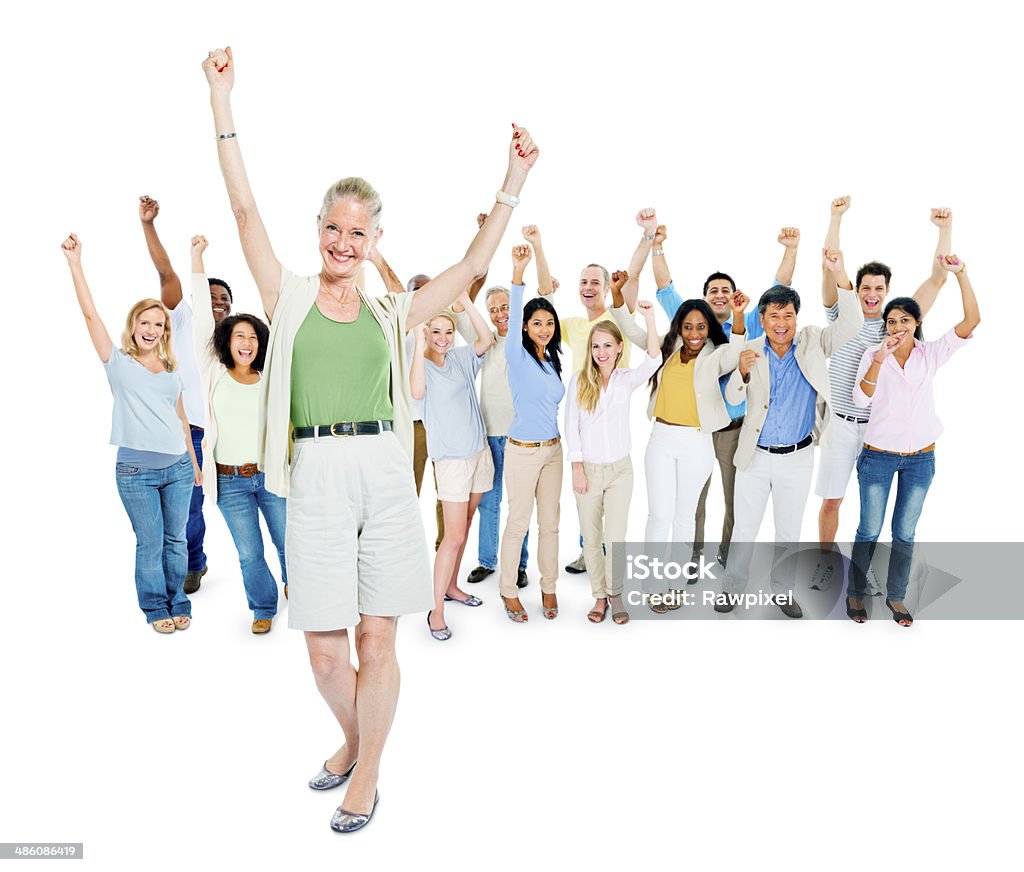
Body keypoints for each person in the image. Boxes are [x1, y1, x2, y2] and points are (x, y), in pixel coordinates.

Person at [202, 46, 539, 831]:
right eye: (334, 229)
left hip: (383, 474)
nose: (344, 243)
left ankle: (368, 775)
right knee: (325, 653)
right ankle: (357, 740)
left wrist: (512, 180)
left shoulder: (393, 313)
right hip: (313, 472)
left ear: (375, 236)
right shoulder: (285, 296)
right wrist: (222, 102)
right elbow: (244, 211)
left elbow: (470, 267)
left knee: (378, 641)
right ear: (319, 229)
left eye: (359, 233)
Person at [63, 233, 202, 633]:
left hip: (177, 468)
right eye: (146, 322)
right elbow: (91, 316)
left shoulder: (172, 368)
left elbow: (181, 419)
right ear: (134, 325)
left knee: (176, 542)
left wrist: (193, 465)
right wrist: (76, 265)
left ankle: (179, 599)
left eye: (159, 324)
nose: (153, 329)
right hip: (136, 473)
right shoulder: (117, 362)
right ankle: (156, 607)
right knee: (151, 543)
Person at [639, 224, 798, 569]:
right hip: (693, 430)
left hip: (731, 429)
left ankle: (726, 559)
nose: (720, 295)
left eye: (726, 290)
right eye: (713, 290)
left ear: (734, 296)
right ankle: (691, 559)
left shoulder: (751, 323)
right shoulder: (694, 326)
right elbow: (666, 289)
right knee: (691, 502)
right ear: (705, 297)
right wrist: (657, 246)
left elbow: (780, 289)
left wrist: (790, 250)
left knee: (735, 500)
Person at [812, 197, 952, 590]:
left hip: (880, 435)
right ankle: (826, 566)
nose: (872, 293)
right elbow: (830, 262)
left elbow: (937, 279)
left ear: (887, 291)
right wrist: (835, 216)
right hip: (841, 426)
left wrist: (944, 230)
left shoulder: (895, 325)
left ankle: (863, 569)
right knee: (832, 502)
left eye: (879, 288)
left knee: (870, 514)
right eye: (866, 287)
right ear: (856, 291)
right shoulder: (841, 315)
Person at [718, 265, 863, 618]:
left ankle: (782, 591)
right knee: (745, 528)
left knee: (788, 530)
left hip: (797, 457)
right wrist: (742, 372)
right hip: (755, 456)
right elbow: (733, 397)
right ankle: (732, 588)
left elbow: (852, 324)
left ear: (796, 318)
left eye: (788, 315)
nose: (781, 322)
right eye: (773, 316)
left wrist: (840, 273)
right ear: (762, 320)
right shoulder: (749, 349)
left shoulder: (813, 340)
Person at [846, 255, 979, 627]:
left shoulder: (931, 354)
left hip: (921, 459)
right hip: (878, 457)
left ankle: (897, 597)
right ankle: (855, 592)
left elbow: (971, 321)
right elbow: (861, 399)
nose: (898, 326)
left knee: (904, 532)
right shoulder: (874, 355)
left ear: (917, 323)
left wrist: (962, 275)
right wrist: (879, 360)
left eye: (905, 320)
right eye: (892, 321)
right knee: (869, 529)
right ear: (885, 327)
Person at [526, 213, 658, 574]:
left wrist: (646, 235)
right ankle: (589, 550)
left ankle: (607, 555)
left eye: (595, 282)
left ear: (604, 287)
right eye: (583, 281)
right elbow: (544, 298)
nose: (588, 286)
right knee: (586, 491)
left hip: (615, 400)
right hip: (582, 405)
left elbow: (630, 278)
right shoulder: (570, 325)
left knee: (609, 483)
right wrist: (538, 245)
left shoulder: (617, 316)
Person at [611, 282, 748, 611]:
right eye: (688, 326)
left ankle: (675, 586)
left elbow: (735, 350)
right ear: (679, 327)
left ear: (709, 327)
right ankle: (654, 586)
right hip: (660, 440)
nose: (694, 333)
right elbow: (630, 330)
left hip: (697, 442)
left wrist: (740, 315)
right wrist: (618, 296)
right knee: (658, 515)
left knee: (684, 518)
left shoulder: (716, 354)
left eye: (701, 326)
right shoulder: (667, 347)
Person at [191, 235, 286, 634]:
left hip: (270, 475)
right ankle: (263, 606)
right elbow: (200, 317)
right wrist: (196, 258)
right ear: (227, 342)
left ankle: (298, 591)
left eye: (252, 337)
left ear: (260, 343)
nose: (246, 343)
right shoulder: (213, 370)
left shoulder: (271, 377)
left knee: (290, 545)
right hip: (229, 480)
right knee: (250, 553)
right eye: (238, 336)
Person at [139, 195, 233, 594]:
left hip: (217, 432)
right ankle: (185, 561)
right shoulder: (181, 320)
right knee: (176, 503)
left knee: (213, 502)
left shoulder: (234, 341)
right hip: (179, 429)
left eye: (224, 301)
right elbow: (165, 274)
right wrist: (148, 226)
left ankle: (201, 561)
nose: (217, 305)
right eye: (211, 298)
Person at [566, 289, 662, 624]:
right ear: (590, 351)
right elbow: (571, 428)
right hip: (588, 471)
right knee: (591, 538)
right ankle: (598, 596)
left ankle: (616, 594)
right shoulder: (579, 382)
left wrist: (649, 318)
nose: (602, 352)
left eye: (608, 345)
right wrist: (577, 470)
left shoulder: (626, 380)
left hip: (621, 471)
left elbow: (653, 360)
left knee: (615, 537)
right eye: (596, 346)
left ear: (620, 348)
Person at [411, 295, 495, 640]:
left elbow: (486, 339)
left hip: (479, 452)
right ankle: (436, 609)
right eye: (435, 332)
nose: (443, 337)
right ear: (427, 334)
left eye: (447, 331)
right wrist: (417, 341)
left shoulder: (460, 357)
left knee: (466, 526)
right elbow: (416, 392)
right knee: (453, 536)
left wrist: (465, 302)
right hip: (452, 462)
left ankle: (453, 587)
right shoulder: (422, 367)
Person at [499, 243, 564, 622]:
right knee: (518, 523)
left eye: (549, 323)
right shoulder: (517, 355)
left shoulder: (554, 358)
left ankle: (549, 586)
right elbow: (521, 300)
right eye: (536, 322)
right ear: (525, 326)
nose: (543, 328)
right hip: (522, 451)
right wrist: (518, 272)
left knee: (550, 523)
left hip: (554, 451)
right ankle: (508, 591)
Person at [453, 279, 532, 590]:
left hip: (520, 437)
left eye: (505, 307)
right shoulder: (484, 339)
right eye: (493, 310)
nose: (500, 314)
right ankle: (487, 560)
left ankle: (520, 564)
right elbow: (459, 310)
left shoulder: (527, 339)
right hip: (489, 435)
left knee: (519, 504)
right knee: (488, 501)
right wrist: (470, 280)